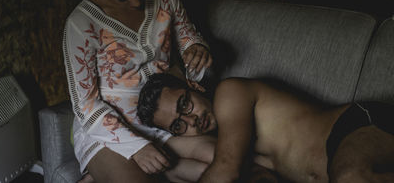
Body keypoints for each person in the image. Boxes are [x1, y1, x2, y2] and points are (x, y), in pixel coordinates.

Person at [63, 0, 214, 183]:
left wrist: (195, 48)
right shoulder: (80, 25)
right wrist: (136, 147)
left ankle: (164, 168)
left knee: (222, 157)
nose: (136, 3)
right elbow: (85, 106)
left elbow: (188, 37)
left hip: (162, 121)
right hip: (108, 132)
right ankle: (108, 168)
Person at [137, 73, 394, 183]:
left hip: (355, 124)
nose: (192, 120)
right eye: (179, 125)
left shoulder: (230, 92)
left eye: (185, 104)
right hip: (335, 169)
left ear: (195, 86)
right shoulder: (229, 141)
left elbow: (226, 169)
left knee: (351, 179)